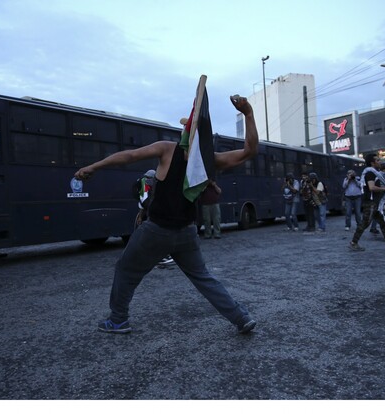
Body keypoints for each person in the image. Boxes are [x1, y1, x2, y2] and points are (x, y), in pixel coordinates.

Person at [74, 95, 258, 335]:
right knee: (203, 278)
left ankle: (118, 320)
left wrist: (93, 167)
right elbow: (249, 151)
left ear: (186, 131)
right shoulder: (208, 160)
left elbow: (128, 156)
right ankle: (241, 318)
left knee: (126, 270)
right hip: (187, 232)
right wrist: (248, 113)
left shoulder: (166, 149)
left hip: (157, 229)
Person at [349, 153, 385, 252]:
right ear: (372, 163)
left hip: (375, 203)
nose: (380, 162)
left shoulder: (375, 173)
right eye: (377, 160)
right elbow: (372, 187)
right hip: (370, 203)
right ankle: (353, 243)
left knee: (384, 222)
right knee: (365, 223)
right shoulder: (370, 173)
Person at [134, 169, 174, 267]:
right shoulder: (150, 184)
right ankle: (161, 257)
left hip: (150, 214)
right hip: (153, 214)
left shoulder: (143, 184)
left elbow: (142, 202)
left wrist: (140, 215)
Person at [369, 165, 385, 235]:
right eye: (383, 171)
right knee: (380, 214)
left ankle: (373, 228)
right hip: (376, 198)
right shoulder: (376, 178)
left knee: (377, 213)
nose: (384, 172)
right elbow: (373, 188)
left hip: (382, 198)